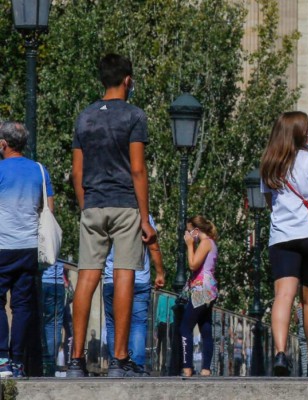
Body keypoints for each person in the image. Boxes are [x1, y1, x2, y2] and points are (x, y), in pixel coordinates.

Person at [68, 53, 156, 378]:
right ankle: (119, 359)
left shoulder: (84, 117)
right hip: (124, 204)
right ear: (128, 81)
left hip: (93, 203)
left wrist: (85, 205)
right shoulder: (134, 116)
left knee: (87, 276)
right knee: (123, 274)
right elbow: (137, 168)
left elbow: (77, 173)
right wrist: (145, 218)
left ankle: (76, 360)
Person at [260, 111, 308, 377]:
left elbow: (270, 204)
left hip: (282, 238)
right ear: (301, 134)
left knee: (283, 296)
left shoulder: (269, 164)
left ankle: (281, 352)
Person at [0, 122, 55, 378]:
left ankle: (1, 359)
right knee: (23, 305)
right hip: (29, 247)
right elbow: (49, 210)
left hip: (2, 245)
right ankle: (18, 361)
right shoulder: (40, 170)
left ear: (3, 144)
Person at [103, 214, 165, 373]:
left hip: (112, 278)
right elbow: (152, 245)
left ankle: (116, 364)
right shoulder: (144, 217)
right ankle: (136, 365)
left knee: (112, 323)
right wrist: (160, 272)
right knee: (138, 322)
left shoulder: (107, 212)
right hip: (139, 278)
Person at [180, 215, 218, 377]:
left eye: (189, 231)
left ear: (196, 230)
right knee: (205, 327)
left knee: (185, 327)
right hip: (209, 289)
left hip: (201, 289)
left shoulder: (205, 243)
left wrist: (189, 246)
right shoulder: (211, 243)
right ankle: (206, 369)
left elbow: (193, 264)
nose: (188, 235)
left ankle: (187, 367)